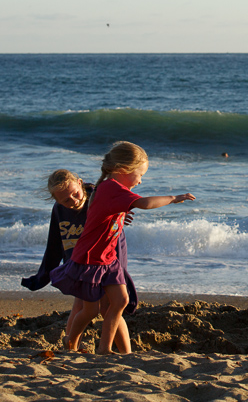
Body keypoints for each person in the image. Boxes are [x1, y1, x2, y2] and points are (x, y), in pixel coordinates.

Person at [50, 142, 195, 354]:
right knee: (90, 310)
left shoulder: (113, 189)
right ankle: (70, 341)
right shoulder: (111, 187)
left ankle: (104, 349)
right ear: (122, 170)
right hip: (91, 258)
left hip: (108, 257)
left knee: (121, 300)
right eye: (140, 174)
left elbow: (107, 211)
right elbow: (145, 203)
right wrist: (173, 198)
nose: (141, 180)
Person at [21, 169, 135, 348]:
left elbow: (119, 201)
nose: (73, 201)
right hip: (79, 262)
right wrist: (43, 275)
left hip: (108, 257)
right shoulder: (59, 210)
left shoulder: (98, 198)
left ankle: (125, 353)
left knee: (109, 306)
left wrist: (122, 213)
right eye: (66, 200)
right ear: (56, 200)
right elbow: (54, 242)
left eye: (75, 194)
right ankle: (71, 346)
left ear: (80, 183)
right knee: (81, 306)